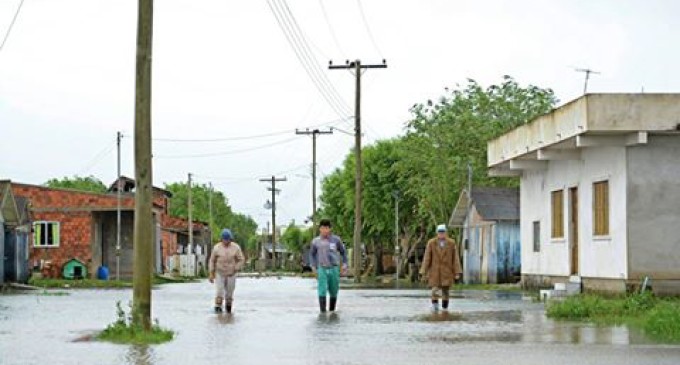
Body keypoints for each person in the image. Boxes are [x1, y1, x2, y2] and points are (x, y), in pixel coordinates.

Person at [419, 224, 462, 311]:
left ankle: (445, 308)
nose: (441, 234)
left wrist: (457, 272)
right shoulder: (431, 243)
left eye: (443, 232)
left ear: (446, 232)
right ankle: (435, 307)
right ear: (437, 233)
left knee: (445, 291)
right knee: (434, 290)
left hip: (447, 271)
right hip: (435, 271)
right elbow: (427, 258)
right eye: (440, 232)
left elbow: (455, 259)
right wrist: (423, 271)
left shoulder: (451, 243)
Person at [309, 219, 348, 313]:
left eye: (327, 228)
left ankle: (332, 311)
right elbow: (312, 254)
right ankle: (322, 312)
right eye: (323, 228)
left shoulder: (336, 240)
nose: (325, 230)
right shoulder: (315, 241)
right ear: (320, 229)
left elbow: (343, 252)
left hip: (334, 268)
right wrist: (313, 267)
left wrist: (345, 265)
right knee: (322, 289)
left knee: (334, 290)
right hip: (322, 268)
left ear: (330, 229)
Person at [209, 228, 245, 313]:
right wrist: (211, 272)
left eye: (228, 239)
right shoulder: (216, 248)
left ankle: (228, 311)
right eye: (225, 239)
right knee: (219, 291)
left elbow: (241, 259)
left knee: (229, 293)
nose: (226, 241)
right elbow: (212, 260)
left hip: (231, 273)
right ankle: (218, 309)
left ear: (230, 239)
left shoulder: (236, 247)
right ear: (221, 239)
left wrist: (236, 268)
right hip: (220, 273)